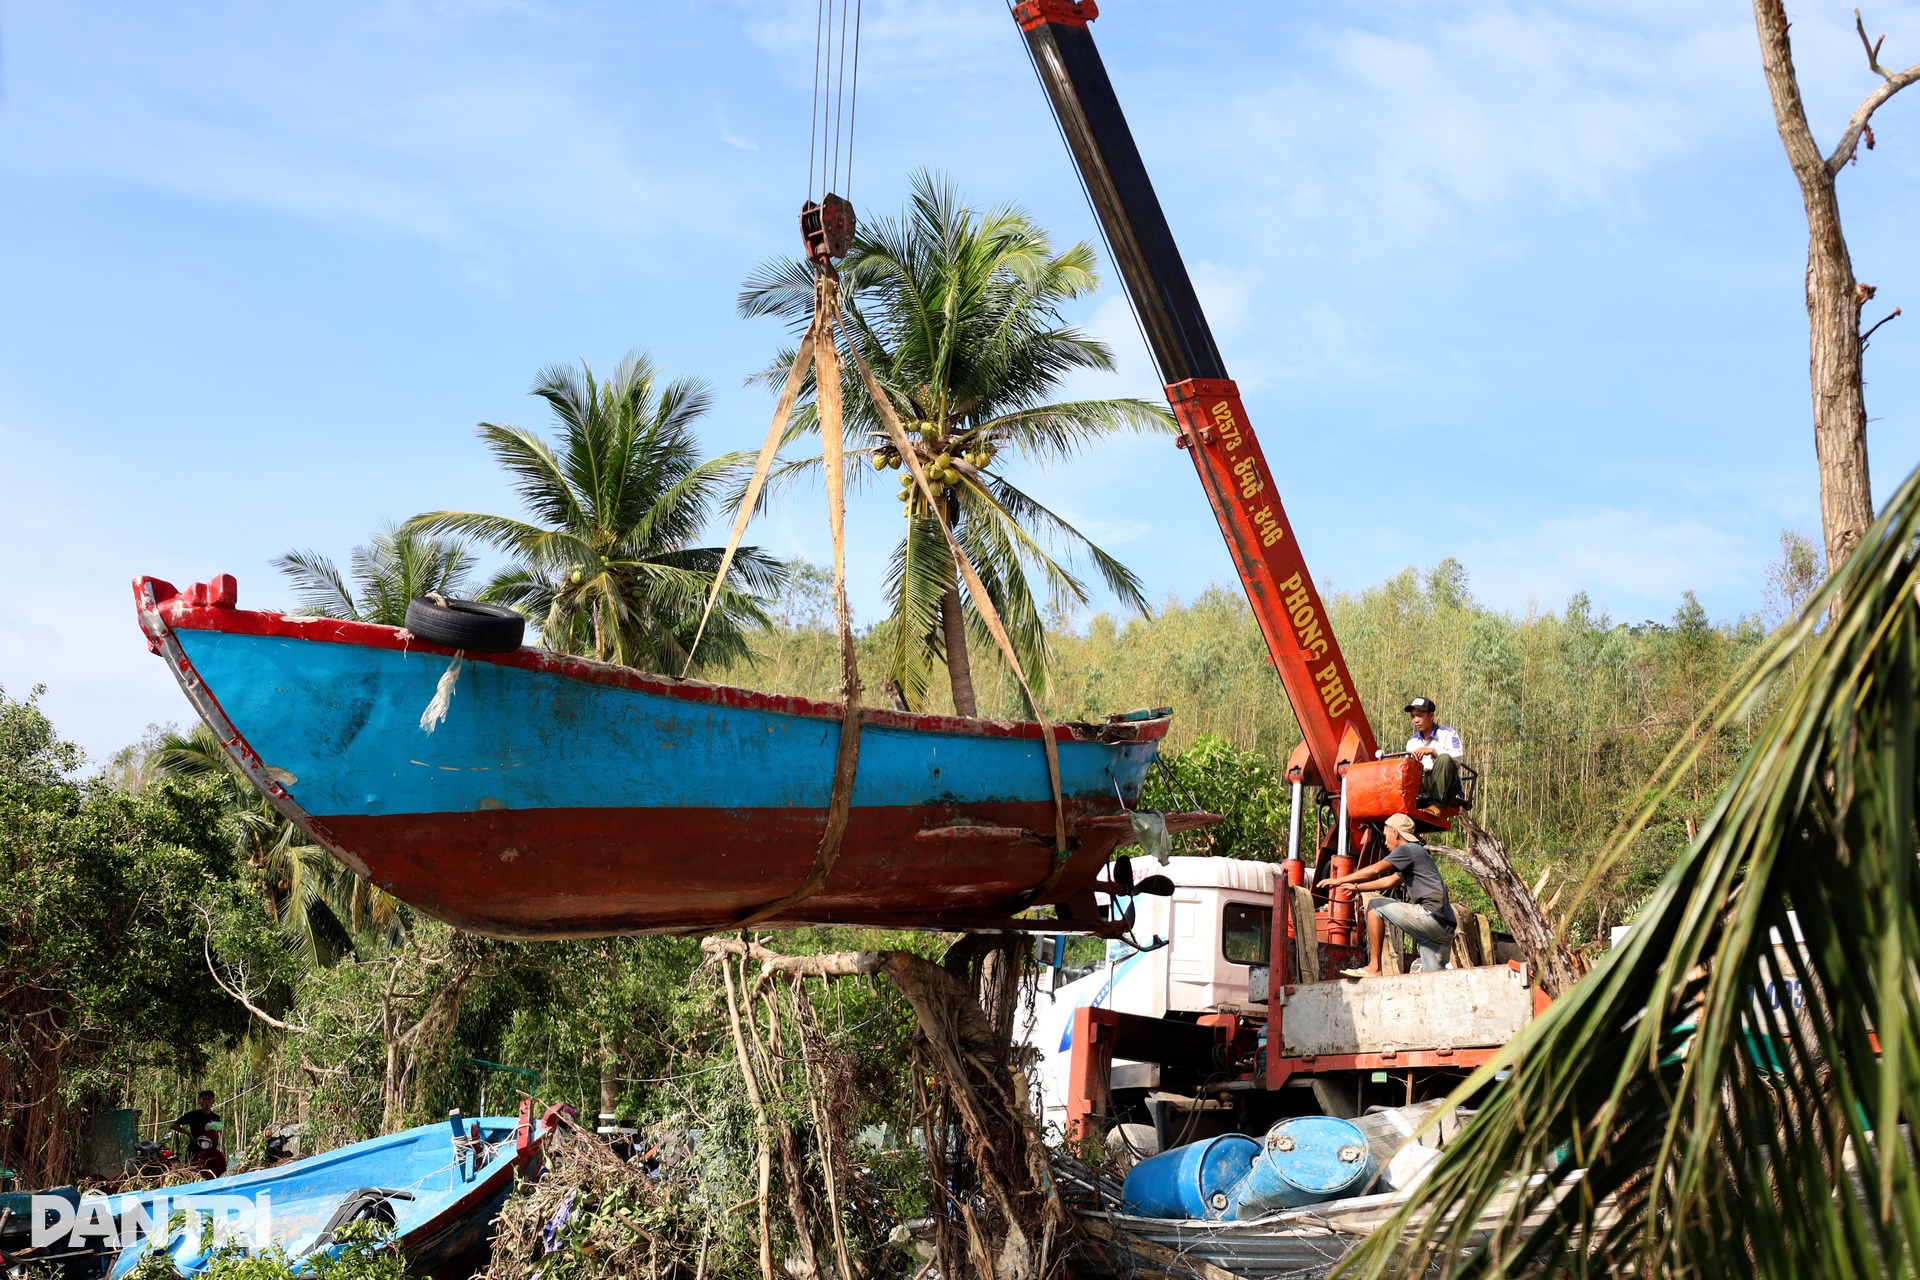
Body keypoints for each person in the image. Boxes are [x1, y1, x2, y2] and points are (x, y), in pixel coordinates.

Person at [1322, 813, 1458, 977]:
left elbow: (1375, 870)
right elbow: (1389, 881)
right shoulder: (1418, 854)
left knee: (1374, 907)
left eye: (1386, 837)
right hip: (1444, 928)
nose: (1385, 843)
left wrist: (1339, 880)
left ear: (1396, 833)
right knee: (1433, 981)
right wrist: (1357, 887)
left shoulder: (1407, 849)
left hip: (1429, 916)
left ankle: (1374, 967)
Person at [1404, 697, 1464, 807]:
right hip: (1422, 781)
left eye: (1420, 716)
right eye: (1413, 716)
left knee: (1444, 758)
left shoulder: (1449, 734)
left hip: (1446, 784)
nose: (1415, 720)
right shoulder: (1412, 741)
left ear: (1431, 716)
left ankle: (1436, 804)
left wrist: (1433, 751)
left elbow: (1458, 756)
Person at [171, 1089, 227, 1177]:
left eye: (209, 1099)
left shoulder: (215, 1117)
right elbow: (174, 1125)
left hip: (209, 1152)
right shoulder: (193, 1115)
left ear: (213, 1101)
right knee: (191, 1174)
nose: (206, 1101)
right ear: (199, 1101)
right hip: (194, 1149)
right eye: (203, 1099)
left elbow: (218, 1131)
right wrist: (188, 1134)